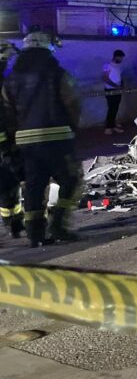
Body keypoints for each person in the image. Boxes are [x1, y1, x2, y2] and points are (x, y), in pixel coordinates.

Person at [2, 32, 82, 247]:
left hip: (26, 143)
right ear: (48, 49)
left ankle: (34, 234)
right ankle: (58, 224)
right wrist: (72, 127)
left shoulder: (11, 79)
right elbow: (72, 102)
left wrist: (14, 137)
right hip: (59, 138)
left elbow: (8, 112)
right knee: (71, 180)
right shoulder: (57, 73)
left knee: (34, 187)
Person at [0, 41, 22, 240]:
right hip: (5, 145)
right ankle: (13, 223)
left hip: (6, 142)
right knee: (8, 184)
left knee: (9, 185)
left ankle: (13, 222)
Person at [102, 49, 125, 135]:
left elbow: (120, 77)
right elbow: (105, 78)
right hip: (110, 90)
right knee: (111, 108)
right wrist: (115, 86)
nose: (122, 60)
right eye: (121, 58)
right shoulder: (107, 65)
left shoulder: (118, 66)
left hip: (118, 90)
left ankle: (113, 125)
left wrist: (122, 84)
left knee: (115, 108)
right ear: (116, 57)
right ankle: (108, 128)